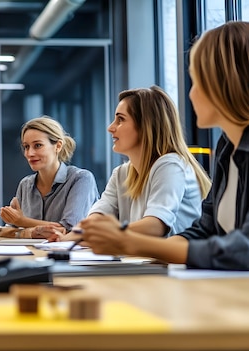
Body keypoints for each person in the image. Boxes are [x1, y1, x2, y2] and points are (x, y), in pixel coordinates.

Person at [79, 21, 249, 270]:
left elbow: (242, 250)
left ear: (224, 82)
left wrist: (130, 243)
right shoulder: (227, 147)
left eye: (198, 81)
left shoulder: (171, 163)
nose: (191, 94)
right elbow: (206, 229)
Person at [50, 86, 212, 242]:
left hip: (176, 266)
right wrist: (65, 239)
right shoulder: (121, 173)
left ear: (146, 126)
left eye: (120, 119)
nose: (110, 128)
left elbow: (155, 226)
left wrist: (101, 234)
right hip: (147, 263)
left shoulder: (170, 165)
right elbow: (96, 220)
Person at [0, 116, 99, 239]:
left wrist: (22, 221)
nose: (29, 153)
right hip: (32, 254)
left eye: (38, 145)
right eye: (26, 147)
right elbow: (15, 230)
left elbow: (68, 230)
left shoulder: (81, 179)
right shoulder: (25, 184)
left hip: (69, 256)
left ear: (58, 146)